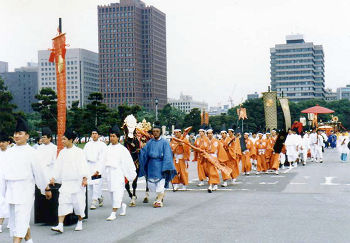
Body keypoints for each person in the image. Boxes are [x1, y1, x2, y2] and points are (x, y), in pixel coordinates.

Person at [2, 118, 49, 243]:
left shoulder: (32, 152)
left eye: (20, 133)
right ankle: (29, 240)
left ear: (27, 136)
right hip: (11, 193)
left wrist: (46, 188)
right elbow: (3, 174)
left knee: (20, 224)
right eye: (15, 133)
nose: (17, 136)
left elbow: (39, 173)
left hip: (25, 192)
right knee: (17, 222)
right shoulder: (9, 152)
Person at [51, 129, 89, 233]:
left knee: (78, 204)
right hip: (66, 182)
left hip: (77, 182)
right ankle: (60, 225)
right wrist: (54, 177)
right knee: (63, 203)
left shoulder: (79, 152)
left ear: (71, 140)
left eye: (64, 139)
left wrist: (85, 178)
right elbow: (58, 166)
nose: (62, 141)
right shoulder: (62, 153)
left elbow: (83, 166)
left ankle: (80, 221)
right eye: (62, 139)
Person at [139, 122, 177, 207]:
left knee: (160, 183)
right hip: (151, 165)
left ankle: (159, 201)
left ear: (160, 132)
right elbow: (144, 152)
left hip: (160, 165)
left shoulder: (164, 142)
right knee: (151, 185)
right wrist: (139, 151)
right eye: (154, 131)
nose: (155, 133)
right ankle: (161, 195)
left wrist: (166, 166)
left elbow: (168, 155)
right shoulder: (150, 142)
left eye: (157, 131)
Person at [104, 125, 136, 220]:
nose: (112, 138)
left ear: (118, 137)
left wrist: (131, 174)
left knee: (117, 192)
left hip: (118, 174)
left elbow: (128, 163)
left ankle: (113, 213)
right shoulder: (107, 149)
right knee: (112, 194)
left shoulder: (122, 150)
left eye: (114, 136)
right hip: (110, 173)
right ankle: (122, 205)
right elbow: (103, 162)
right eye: (110, 136)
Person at [34, 127, 58, 225]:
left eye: (44, 137)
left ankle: (51, 219)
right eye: (42, 137)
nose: (42, 139)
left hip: (50, 173)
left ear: (49, 138)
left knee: (50, 196)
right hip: (41, 173)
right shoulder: (39, 148)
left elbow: (56, 163)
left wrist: (53, 177)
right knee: (41, 196)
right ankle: (42, 218)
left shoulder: (54, 148)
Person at [83, 129, 107, 210]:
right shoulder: (87, 145)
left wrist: (99, 170)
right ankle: (99, 197)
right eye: (92, 133)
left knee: (96, 184)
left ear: (98, 135)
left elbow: (103, 158)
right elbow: (84, 157)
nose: (94, 135)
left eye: (95, 133)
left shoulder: (102, 145)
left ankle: (93, 201)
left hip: (98, 166)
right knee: (90, 185)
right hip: (89, 166)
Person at [0, 132, 10, 233]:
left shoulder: (12, 153)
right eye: (0, 142)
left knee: (10, 199)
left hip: (10, 179)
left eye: (3, 142)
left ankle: (11, 221)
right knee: (1, 200)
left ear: (8, 142)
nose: (1, 144)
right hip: (0, 180)